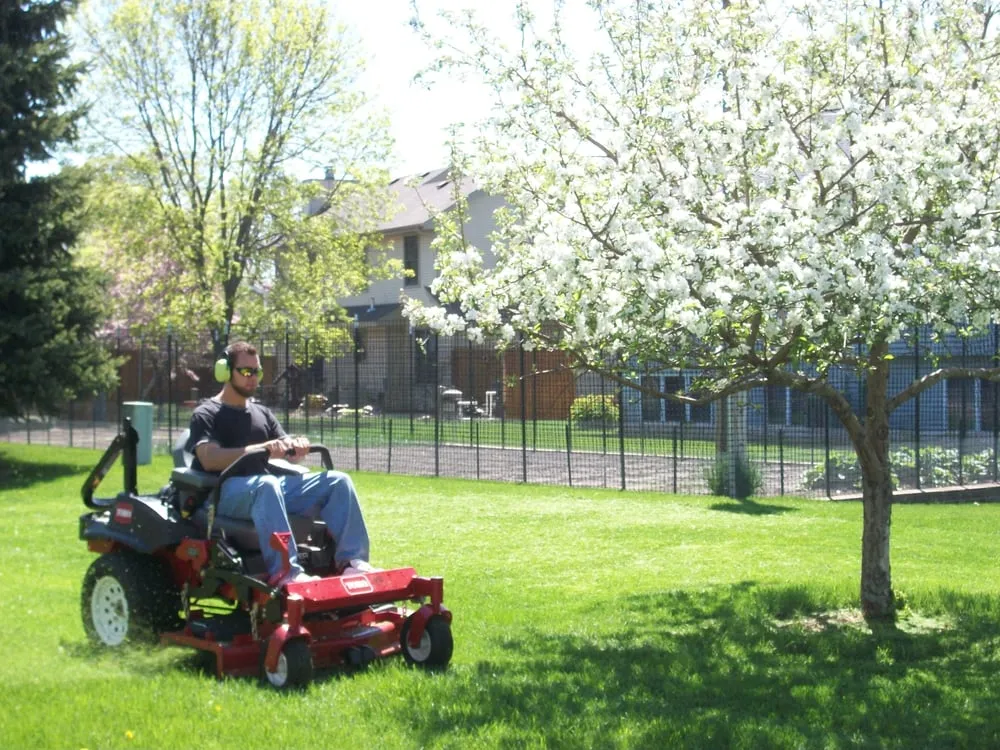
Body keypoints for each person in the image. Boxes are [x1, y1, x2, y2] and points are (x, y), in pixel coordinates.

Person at [185, 341, 376, 586]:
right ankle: (287, 573)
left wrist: (296, 448)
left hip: (268, 488)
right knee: (266, 485)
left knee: (338, 481)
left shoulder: (262, 413)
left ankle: (351, 562)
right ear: (224, 371)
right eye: (245, 371)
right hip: (225, 492)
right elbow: (209, 459)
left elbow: (286, 451)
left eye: (257, 371)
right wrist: (260, 449)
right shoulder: (207, 413)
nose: (252, 377)